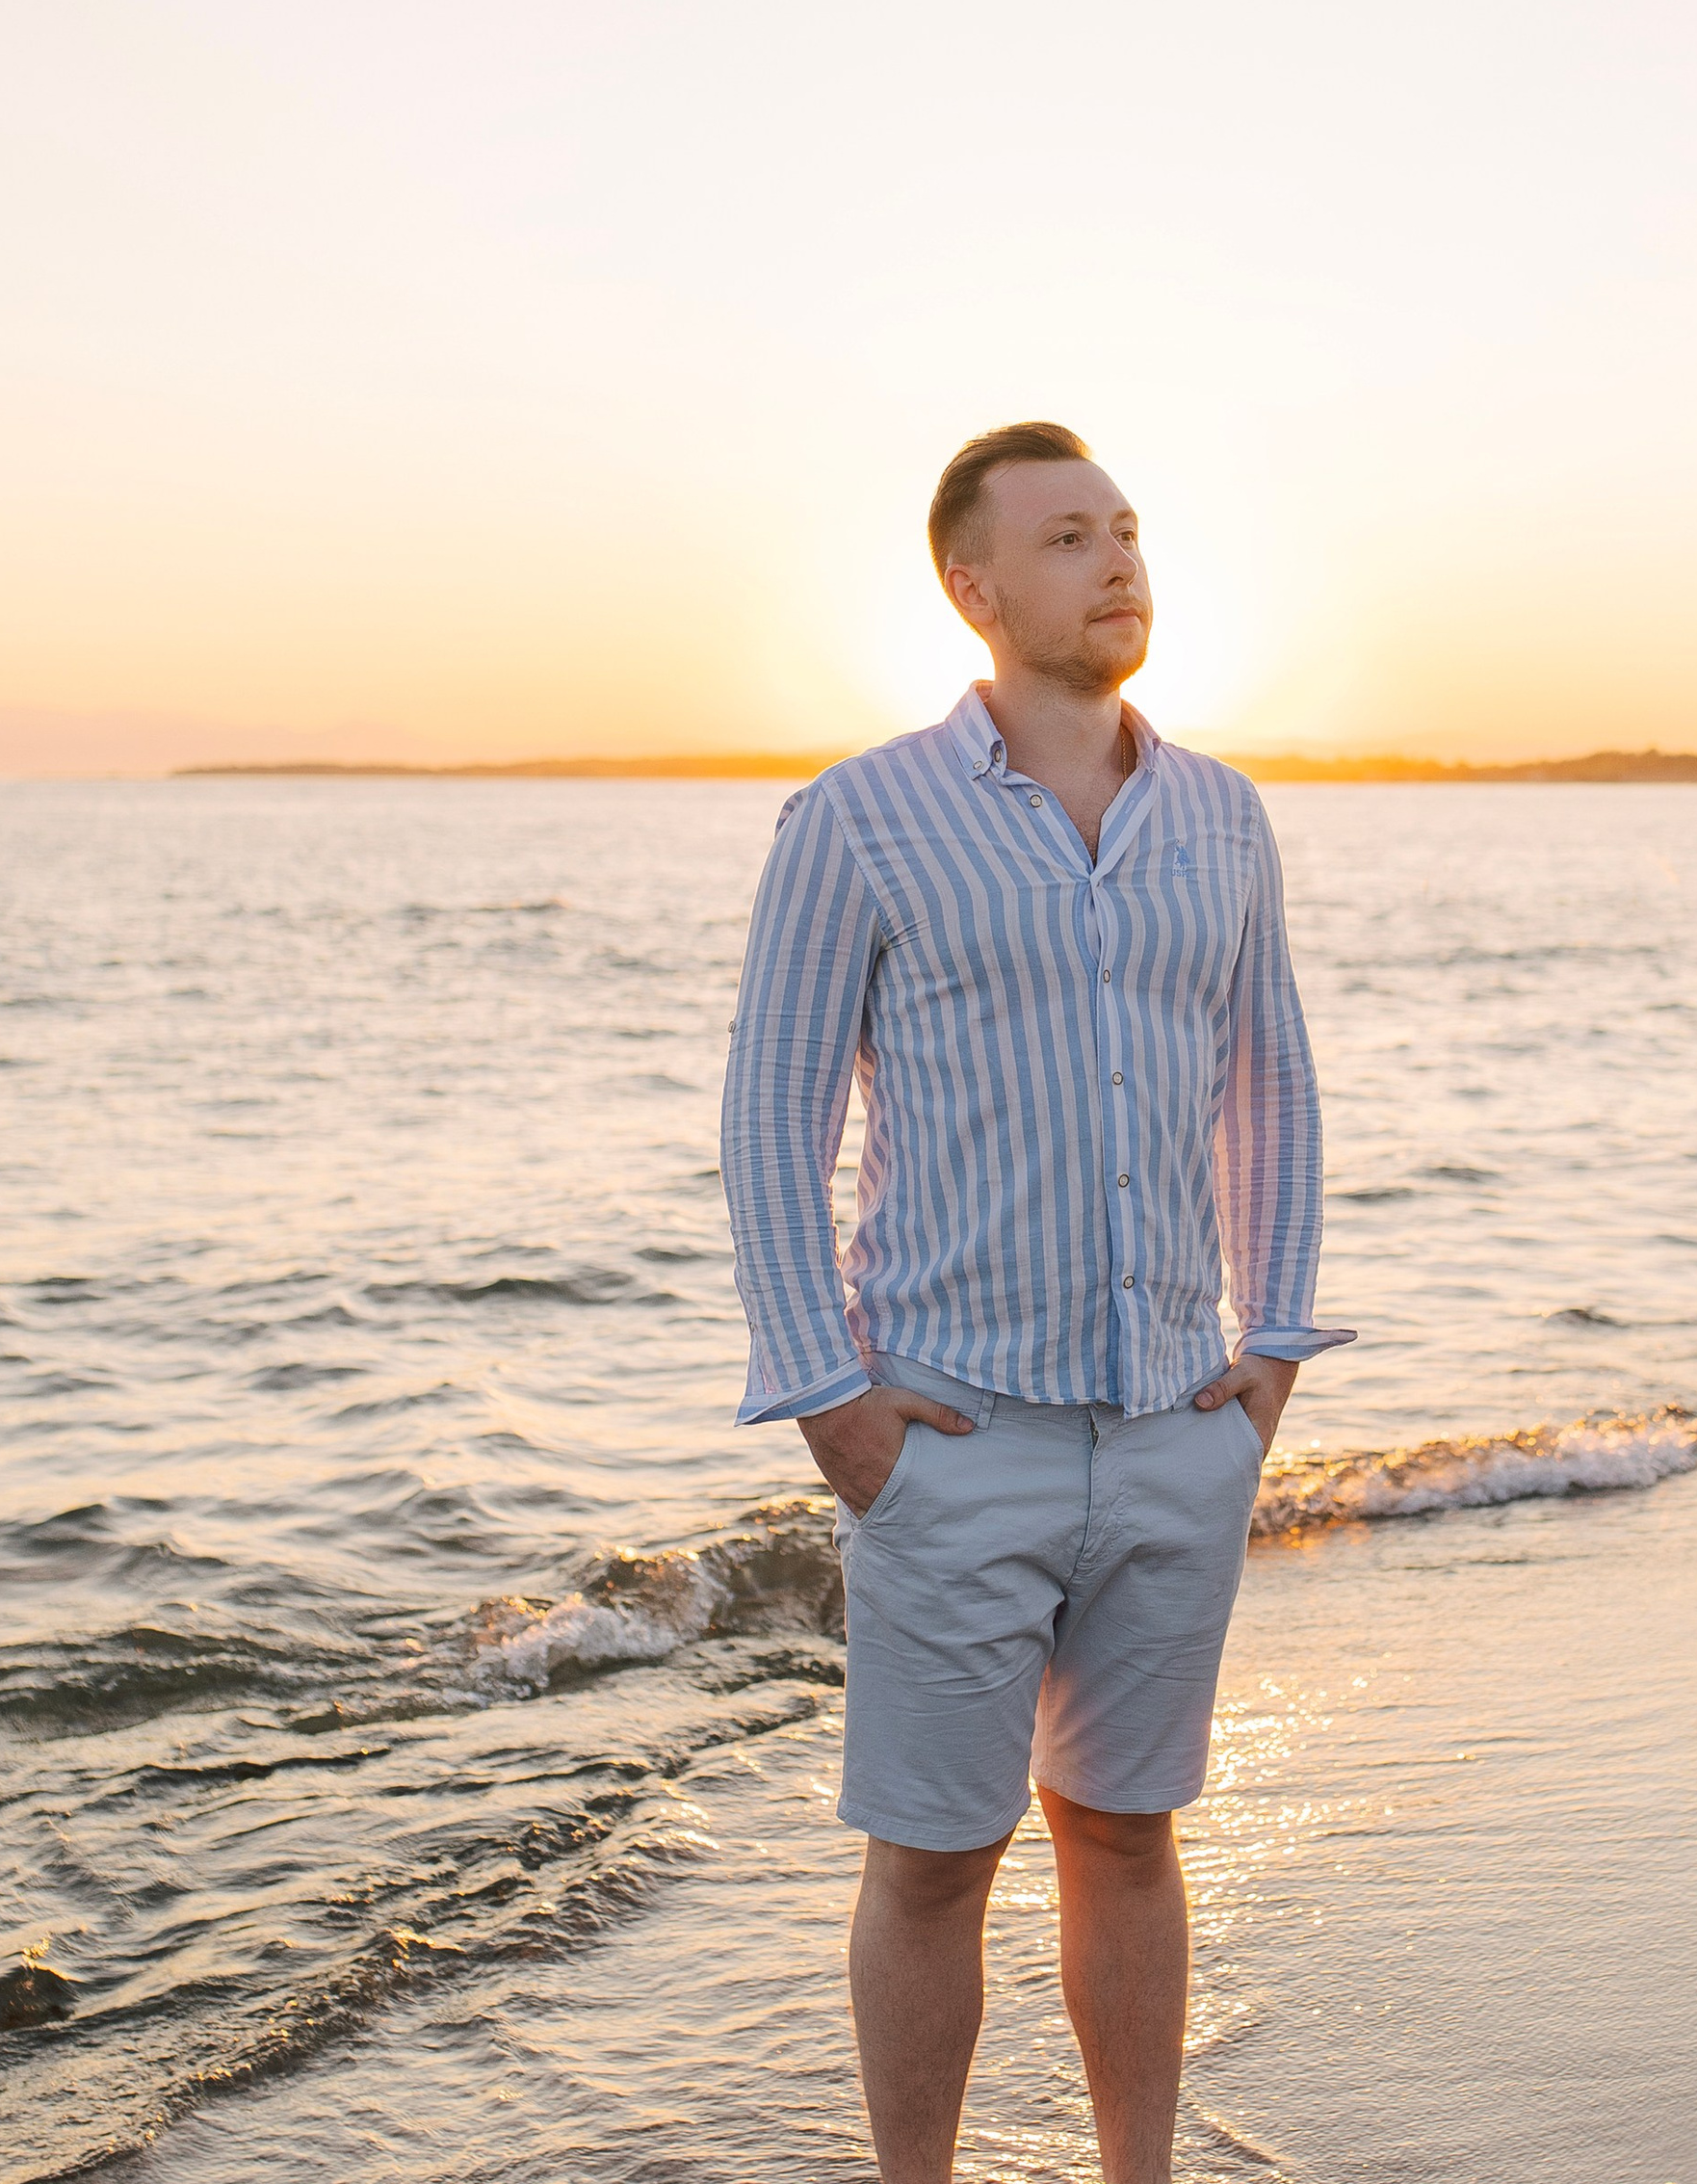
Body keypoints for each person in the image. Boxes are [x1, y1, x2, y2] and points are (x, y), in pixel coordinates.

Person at [720, 421, 1350, 2183]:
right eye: (1070, 536)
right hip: (951, 1433)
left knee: (1130, 1837)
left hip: (1174, 1431)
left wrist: (1274, 1352)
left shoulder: (1221, 816)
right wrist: (832, 1403)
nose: (1120, 560)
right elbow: (772, 1120)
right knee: (935, 1859)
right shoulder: (858, 820)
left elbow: (1273, 1088)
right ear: (975, 588)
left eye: (1129, 529)